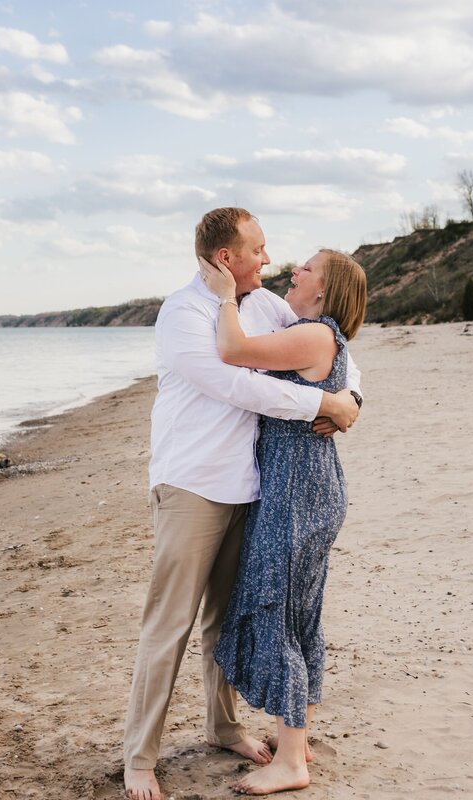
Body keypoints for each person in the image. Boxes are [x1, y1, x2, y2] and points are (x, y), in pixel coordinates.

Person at [123, 208, 363, 800]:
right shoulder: (183, 313)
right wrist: (321, 408)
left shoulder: (263, 306)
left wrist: (351, 395)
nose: (270, 259)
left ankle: (223, 726)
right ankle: (138, 758)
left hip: (254, 489)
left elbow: (334, 349)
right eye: (257, 249)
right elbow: (234, 382)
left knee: (223, 620)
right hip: (193, 486)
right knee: (170, 624)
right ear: (226, 258)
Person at [198, 247, 367, 795]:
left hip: (299, 490)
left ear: (325, 290)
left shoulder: (317, 334)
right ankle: (297, 739)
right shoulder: (315, 333)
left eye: (308, 269)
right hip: (303, 486)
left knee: (281, 612)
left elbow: (232, 349)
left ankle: (292, 761)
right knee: (294, 613)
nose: (295, 270)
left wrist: (225, 298)